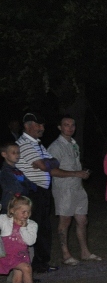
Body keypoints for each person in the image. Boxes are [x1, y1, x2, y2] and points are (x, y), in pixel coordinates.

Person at [47, 116, 96, 265]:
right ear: (60, 127)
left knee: (82, 220)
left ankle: (85, 252)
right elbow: (52, 170)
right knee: (65, 221)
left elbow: (75, 166)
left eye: (72, 125)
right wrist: (75, 173)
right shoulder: (55, 147)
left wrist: (82, 173)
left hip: (77, 187)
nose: (70, 128)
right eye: (66, 125)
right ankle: (66, 255)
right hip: (64, 189)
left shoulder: (74, 144)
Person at [16, 113, 58, 273]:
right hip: (32, 191)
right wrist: (46, 163)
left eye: (43, 125)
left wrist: (46, 162)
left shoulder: (37, 144)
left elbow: (55, 161)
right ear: (27, 126)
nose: (42, 128)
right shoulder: (24, 144)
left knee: (43, 227)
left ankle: (41, 263)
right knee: (34, 227)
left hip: (42, 191)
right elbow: (44, 165)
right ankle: (33, 264)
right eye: (38, 125)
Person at [0, 196, 48, 283]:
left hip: (21, 256)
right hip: (7, 255)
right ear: (13, 211)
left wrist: (23, 228)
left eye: (28, 212)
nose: (26, 215)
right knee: (26, 268)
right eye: (23, 212)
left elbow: (30, 242)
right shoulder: (4, 220)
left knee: (17, 282)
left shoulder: (32, 224)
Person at [0, 143, 33, 211]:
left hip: (18, 204)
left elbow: (30, 185)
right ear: (4, 154)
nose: (17, 155)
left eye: (18, 152)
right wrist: (25, 187)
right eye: (13, 153)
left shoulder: (17, 170)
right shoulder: (4, 171)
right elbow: (16, 188)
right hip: (9, 206)